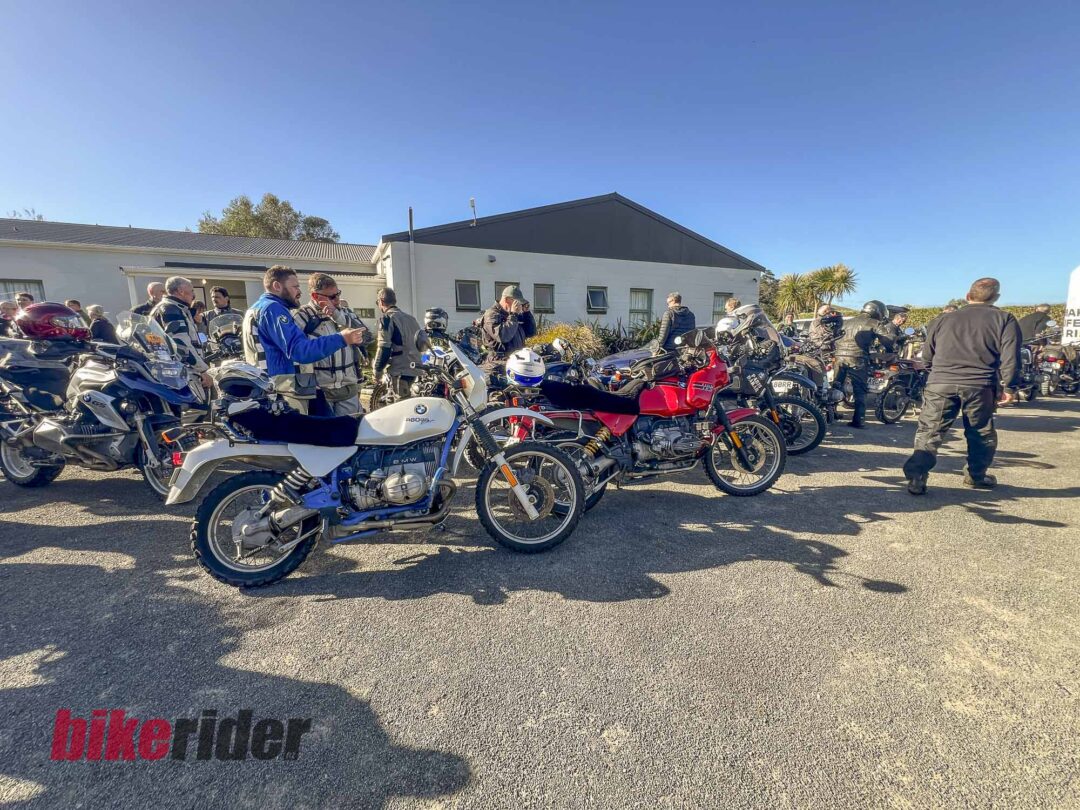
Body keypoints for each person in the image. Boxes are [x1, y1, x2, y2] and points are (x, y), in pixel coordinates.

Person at [902, 278, 1021, 495]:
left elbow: (927, 355)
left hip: (941, 382)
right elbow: (1010, 357)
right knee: (980, 433)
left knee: (930, 431)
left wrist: (935, 369)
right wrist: (1010, 387)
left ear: (968, 295)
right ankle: (976, 476)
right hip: (980, 384)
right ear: (996, 297)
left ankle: (917, 476)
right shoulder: (1004, 319)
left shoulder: (942, 320)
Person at [243, 265, 367, 413]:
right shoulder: (273, 309)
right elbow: (299, 351)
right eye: (295, 287)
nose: (299, 292)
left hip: (272, 386)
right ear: (277, 286)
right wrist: (341, 338)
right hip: (280, 388)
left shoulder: (257, 308)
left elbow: (367, 336)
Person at [293, 273, 373, 416]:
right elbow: (295, 351)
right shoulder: (301, 316)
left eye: (338, 294)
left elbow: (367, 336)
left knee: (351, 431)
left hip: (348, 388)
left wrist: (338, 316)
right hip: (319, 391)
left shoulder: (345, 312)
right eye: (331, 297)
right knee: (324, 435)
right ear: (315, 296)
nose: (337, 300)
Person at [832, 300, 896, 428]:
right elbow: (888, 341)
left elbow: (834, 337)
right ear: (878, 311)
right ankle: (858, 420)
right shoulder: (874, 323)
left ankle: (830, 414)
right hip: (857, 357)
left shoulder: (847, 321)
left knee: (836, 386)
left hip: (839, 356)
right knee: (859, 390)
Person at [150, 277, 211, 390]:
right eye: (192, 290)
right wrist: (202, 370)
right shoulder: (171, 310)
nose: (193, 295)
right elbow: (181, 344)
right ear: (180, 291)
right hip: (181, 373)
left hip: (173, 371)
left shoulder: (173, 308)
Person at [372, 287, 425, 399]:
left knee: (401, 406)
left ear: (381, 301)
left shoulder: (387, 319)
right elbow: (421, 342)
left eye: (377, 303)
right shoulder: (411, 319)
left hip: (400, 369)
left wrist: (377, 370)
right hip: (416, 367)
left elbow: (384, 348)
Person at [481, 285, 536, 359]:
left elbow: (530, 333)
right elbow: (503, 336)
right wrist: (514, 315)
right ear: (507, 300)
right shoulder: (492, 315)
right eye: (516, 303)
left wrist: (526, 313)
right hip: (497, 363)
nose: (518, 306)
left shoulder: (512, 315)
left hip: (516, 360)